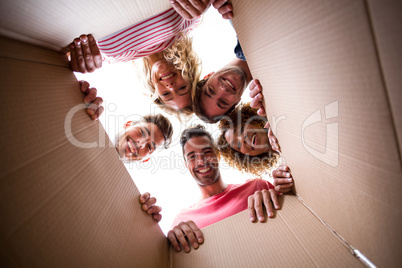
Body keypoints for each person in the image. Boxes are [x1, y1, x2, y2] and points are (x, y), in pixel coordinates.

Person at [68, 1, 234, 117]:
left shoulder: (111, 58)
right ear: (189, 74)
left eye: (167, 94)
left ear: (153, 88)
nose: (170, 86)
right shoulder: (189, 22)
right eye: (182, 88)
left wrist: (78, 59)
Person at [166, 125, 290, 253]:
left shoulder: (257, 187)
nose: (201, 161)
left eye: (207, 152)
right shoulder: (181, 221)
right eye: (192, 157)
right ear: (186, 165)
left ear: (218, 155)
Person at [79, 81, 173, 162]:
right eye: (142, 132)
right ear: (128, 124)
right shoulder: (88, 135)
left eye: (149, 147)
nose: (141, 143)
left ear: (146, 159)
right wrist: (79, 99)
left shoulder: (119, 182)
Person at [217, 102, 294, 193]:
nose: (242, 140)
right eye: (238, 145)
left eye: (241, 130)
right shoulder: (283, 168)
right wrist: (286, 188)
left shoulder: (283, 117)